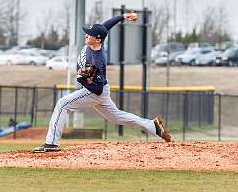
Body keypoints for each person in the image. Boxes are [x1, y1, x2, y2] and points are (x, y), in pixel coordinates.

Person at [32, 13, 172, 153]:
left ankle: (51, 143)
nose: (86, 36)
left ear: (98, 39)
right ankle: (152, 126)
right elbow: (106, 25)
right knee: (116, 117)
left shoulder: (98, 60)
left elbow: (97, 89)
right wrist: (122, 16)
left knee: (63, 104)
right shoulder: (97, 40)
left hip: (94, 92)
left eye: (89, 34)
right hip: (101, 90)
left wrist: (81, 78)